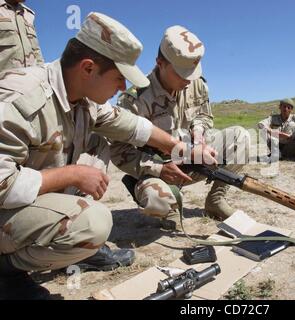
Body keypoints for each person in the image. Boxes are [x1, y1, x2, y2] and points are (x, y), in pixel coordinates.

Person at [0, 12, 216, 300]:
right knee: (93, 222)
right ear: (88, 68)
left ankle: (69, 247)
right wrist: (72, 174)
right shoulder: (21, 99)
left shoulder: (83, 98)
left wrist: (184, 149)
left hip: (21, 201)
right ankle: (7, 271)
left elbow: (133, 126)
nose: (123, 88)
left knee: (98, 143)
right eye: (118, 78)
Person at [111, 25, 249, 225]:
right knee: (159, 201)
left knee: (241, 136)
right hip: (160, 170)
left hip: (193, 158)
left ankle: (216, 200)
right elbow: (118, 150)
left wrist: (199, 137)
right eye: (182, 73)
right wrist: (159, 169)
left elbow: (203, 115)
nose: (188, 79)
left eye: (192, 72)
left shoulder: (196, 83)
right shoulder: (136, 100)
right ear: (160, 63)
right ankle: (163, 201)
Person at [0, 0, 44, 71]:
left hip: (32, 78)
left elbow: (36, 51)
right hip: (4, 79)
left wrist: (42, 73)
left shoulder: (28, 14)